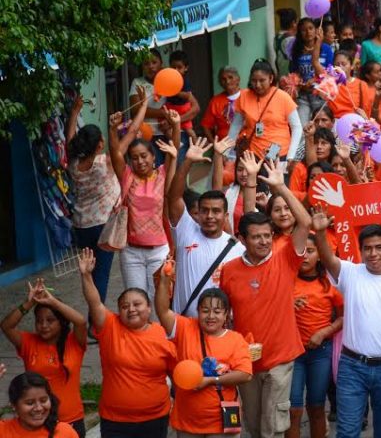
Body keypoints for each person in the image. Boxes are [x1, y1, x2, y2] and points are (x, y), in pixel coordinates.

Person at [218, 158, 311, 438]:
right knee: (255, 428)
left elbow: (304, 221)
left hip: (281, 358)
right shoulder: (230, 270)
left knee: (273, 427)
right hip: (245, 360)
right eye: (256, 237)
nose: (263, 241)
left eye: (267, 236)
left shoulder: (285, 258)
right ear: (242, 239)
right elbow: (225, 316)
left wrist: (281, 187)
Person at [312, 208, 381, 438]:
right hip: (352, 367)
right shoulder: (351, 273)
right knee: (347, 432)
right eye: (367, 248)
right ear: (361, 251)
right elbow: (326, 257)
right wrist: (322, 233)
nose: (373, 253)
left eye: (379, 247)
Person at [79, 248, 176, 437]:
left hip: (155, 419)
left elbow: (176, 374)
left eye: (137, 304)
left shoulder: (162, 334)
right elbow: (95, 303)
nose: (131, 309)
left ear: (149, 309)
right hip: (116, 421)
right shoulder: (110, 326)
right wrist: (86, 275)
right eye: (125, 306)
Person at [154, 275, 254, 438]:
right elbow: (162, 311)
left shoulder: (235, 339)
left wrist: (211, 380)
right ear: (198, 311)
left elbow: (245, 374)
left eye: (217, 311)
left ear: (226, 314)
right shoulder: (186, 327)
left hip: (221, 422)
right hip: (188, 421)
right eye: (205, 311)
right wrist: (164, 282)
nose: (211, 316)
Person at [165, 137, 244, 316]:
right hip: (184, 326)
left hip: (220, 331)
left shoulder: (237, 248)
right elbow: (174, 197)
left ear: (225, 216)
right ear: (197, 213)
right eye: (205, 211)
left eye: (216, 211)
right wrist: (188, 162)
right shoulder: (186, 230)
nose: (210, 216)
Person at [108, 94, 176, 302]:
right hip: (131, 252)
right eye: (134, 158)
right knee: (136, 302)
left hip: (159, 251)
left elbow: (174, 150)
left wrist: (177, 126)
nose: (139, 161)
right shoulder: (127, 177)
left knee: (159, 303)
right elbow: (115, 155)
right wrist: (112, 130)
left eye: (144, 156)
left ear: (153, 157)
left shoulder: (163, 175)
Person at [1, 281, 87, 437]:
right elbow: (6, 326)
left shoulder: (73, 342)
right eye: (39, 321)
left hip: (71, 420)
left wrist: (53, 301)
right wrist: (29, 303)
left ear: (61, 322)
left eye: (50, 320)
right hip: (36, 422)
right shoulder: (28, 342)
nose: (44, 325)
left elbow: (80, 321)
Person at [66, 96, 119, 304]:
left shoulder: (73, 164)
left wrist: (74, 112)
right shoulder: (105, 163)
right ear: (100, 145)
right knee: (101, 274)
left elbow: (70, 140)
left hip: (81, 226)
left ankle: (94, 317)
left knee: (88, 271)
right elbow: (131, 135)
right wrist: (141, 107)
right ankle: (96, 321)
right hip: (103, 227)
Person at [289, 234, 343, 438]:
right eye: (301, 252)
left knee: (317, 407)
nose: (305, 256)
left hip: (320, 352)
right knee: (293, 410)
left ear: (320, 255)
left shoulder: (329, 284)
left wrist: (323, 333)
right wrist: (288, 305)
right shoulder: (287, 280)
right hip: (293, 354)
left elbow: (342, 317)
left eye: (310, 251)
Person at [228, 59, 303, 167]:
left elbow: (297, 127)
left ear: (271, 78)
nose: (257, 85)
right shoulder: (243, 96)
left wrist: (291, 155)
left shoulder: (283, 97)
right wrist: (226, 153)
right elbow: (235, 126)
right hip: (252, 154)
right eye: (254, 80)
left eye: (262, 80)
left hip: (278, 154)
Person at [0, 373, 78, 437]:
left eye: (43, 401)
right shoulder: (3, 431)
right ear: (14, 405)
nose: (39, 408)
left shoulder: (64, 432)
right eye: (30, 403)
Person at [200, 66, 242, 141]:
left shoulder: (247, 97)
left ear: (238, 79)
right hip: (224, 147)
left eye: (230, 77)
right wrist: (214, 144)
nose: (227, 82)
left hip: (246, 147)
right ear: (220, 82)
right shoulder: (215, 101)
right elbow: (206, 125)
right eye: (223, 79)